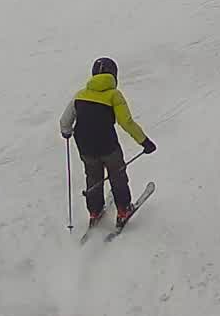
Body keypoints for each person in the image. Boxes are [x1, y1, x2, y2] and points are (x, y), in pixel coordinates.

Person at [60, 57, 156, 224]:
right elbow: (126, 122)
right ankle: (123, 209)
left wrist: (66, 132)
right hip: (108, 146)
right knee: (117, 175)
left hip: (85, 147)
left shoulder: (80, 95)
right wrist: (144, 141)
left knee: (93, 177)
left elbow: (64, 122)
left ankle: (94, 212)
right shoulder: (114, 95)